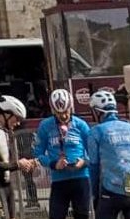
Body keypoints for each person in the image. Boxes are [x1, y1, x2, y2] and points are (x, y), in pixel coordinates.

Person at [86, 91, 130, 219]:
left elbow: (93, 166)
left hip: (111, 191)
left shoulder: (96, 132)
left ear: (97, 111)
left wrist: (94, 195)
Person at [33, 89, 91, 219]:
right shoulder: (45, 126)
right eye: (59, 113)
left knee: (82, 215)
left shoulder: (81, 125)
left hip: (80, 178)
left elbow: (93, 152)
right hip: (59, 180)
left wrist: (84, 162)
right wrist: (53, 164)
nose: (64, 116)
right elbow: (38, 153)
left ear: (70, 108)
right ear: (53, 111)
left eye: (66, 111)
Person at [0, 96, 36, 219]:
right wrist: (18, 165)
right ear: (6, 114)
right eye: (17, 118)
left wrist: (25, 163)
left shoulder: (3, 131)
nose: (18, 122)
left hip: (6, 184)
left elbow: (4, 161)